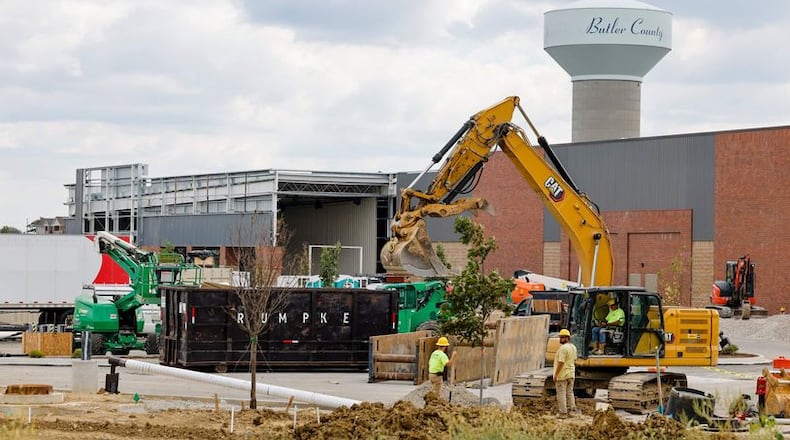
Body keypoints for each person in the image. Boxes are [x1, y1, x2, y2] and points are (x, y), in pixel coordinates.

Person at [554, 328, 578, 418]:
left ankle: (563, 413)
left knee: (561, 393)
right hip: (571, 374)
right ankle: (572, 411)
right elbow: (574, 359)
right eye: (560, 337)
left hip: (562, 375)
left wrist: (556, 375)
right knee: (570, 393)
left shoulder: (563, 348)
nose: (561, 339)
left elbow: (561, 362)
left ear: (567, 338)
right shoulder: (573, 347)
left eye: (563, 337)